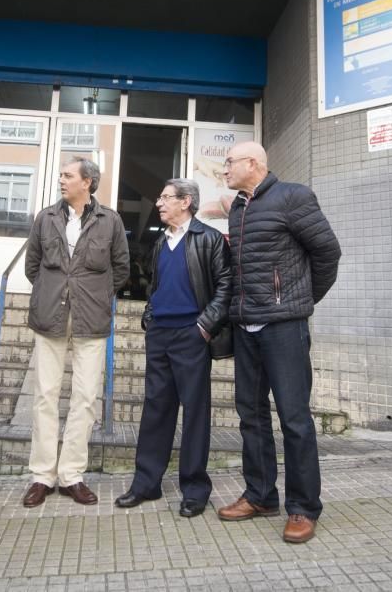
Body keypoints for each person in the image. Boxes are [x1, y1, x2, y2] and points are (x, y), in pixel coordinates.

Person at [216, 141, 341, 544]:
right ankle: (260, 495)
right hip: (246, 325)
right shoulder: (238, 208)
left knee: (294, 419)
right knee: (251, 416)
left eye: (229, 162)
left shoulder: (293, 197)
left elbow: (327, 253)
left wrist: (297, 301)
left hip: (284, 327)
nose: (225, 169)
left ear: (253, 163)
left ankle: (303, 508)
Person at [114, 178, 231, 518]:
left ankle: (195, 490)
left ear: (186, 202)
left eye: (166, 198)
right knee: (156, 409)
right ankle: (145, 484)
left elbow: (225, 287)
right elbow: (156, 286)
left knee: (195, 413)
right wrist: (150, 316)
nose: (160, 203)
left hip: (192, 335)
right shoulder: (159, 243)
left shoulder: (208, 240)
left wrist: (204, 326)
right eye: (161, 197)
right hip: (160, 334)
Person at [21, 156, 130, 507]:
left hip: (91, 320)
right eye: (61, 175)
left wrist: (93, 295)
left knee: (85, 398)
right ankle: (42, 475)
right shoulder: (46, 217)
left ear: (88, 182)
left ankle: (71, 475)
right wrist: (52, 292)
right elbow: (32, 266)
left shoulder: (109, 221)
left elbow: (121, 269)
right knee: (45, 397)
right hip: (50, 315)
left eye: (68, 175)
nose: (61, 180)